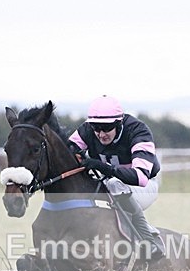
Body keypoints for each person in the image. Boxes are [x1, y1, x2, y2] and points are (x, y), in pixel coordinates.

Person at [67, 95, 165, 260]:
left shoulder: (138, 131)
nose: (100, 134)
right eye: (96, 128)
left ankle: (148, 242)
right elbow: (67, 151)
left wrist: (104, 167)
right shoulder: (87, 130)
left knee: (115, 184)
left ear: (119, 124)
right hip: (110, 185)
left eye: (106, 128)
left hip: (144, 187)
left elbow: (140, 177)